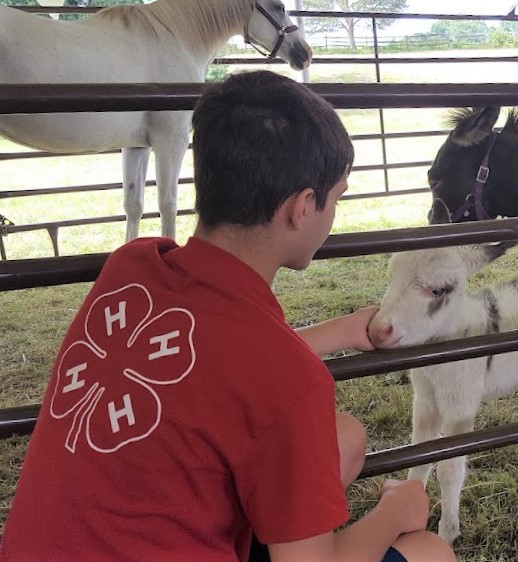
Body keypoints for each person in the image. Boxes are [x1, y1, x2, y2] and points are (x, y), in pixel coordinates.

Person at [0, 70, 457, 562]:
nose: (334, 212)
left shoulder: (131, 267)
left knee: (344, 437)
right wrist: (394, 511)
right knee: (429, 550)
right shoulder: (288, 380)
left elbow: (204, 364)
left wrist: (342, 331)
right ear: (303, 207)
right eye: (337, 197)